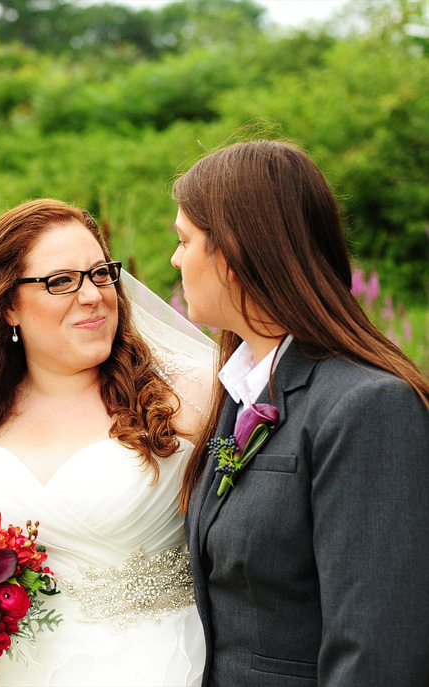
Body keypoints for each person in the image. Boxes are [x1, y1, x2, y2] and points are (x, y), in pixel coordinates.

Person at [0, 198, 217, 686]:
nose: (92, 296)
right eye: (60, 281)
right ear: (7, 305)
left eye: (101, 274)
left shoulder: (189, 394)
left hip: (158, 665)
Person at [171, 139, 429, 686]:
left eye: (184, 240)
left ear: (233, 254)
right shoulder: (239, 395)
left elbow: (376, 652)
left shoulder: (368, 408)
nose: (175, 259)